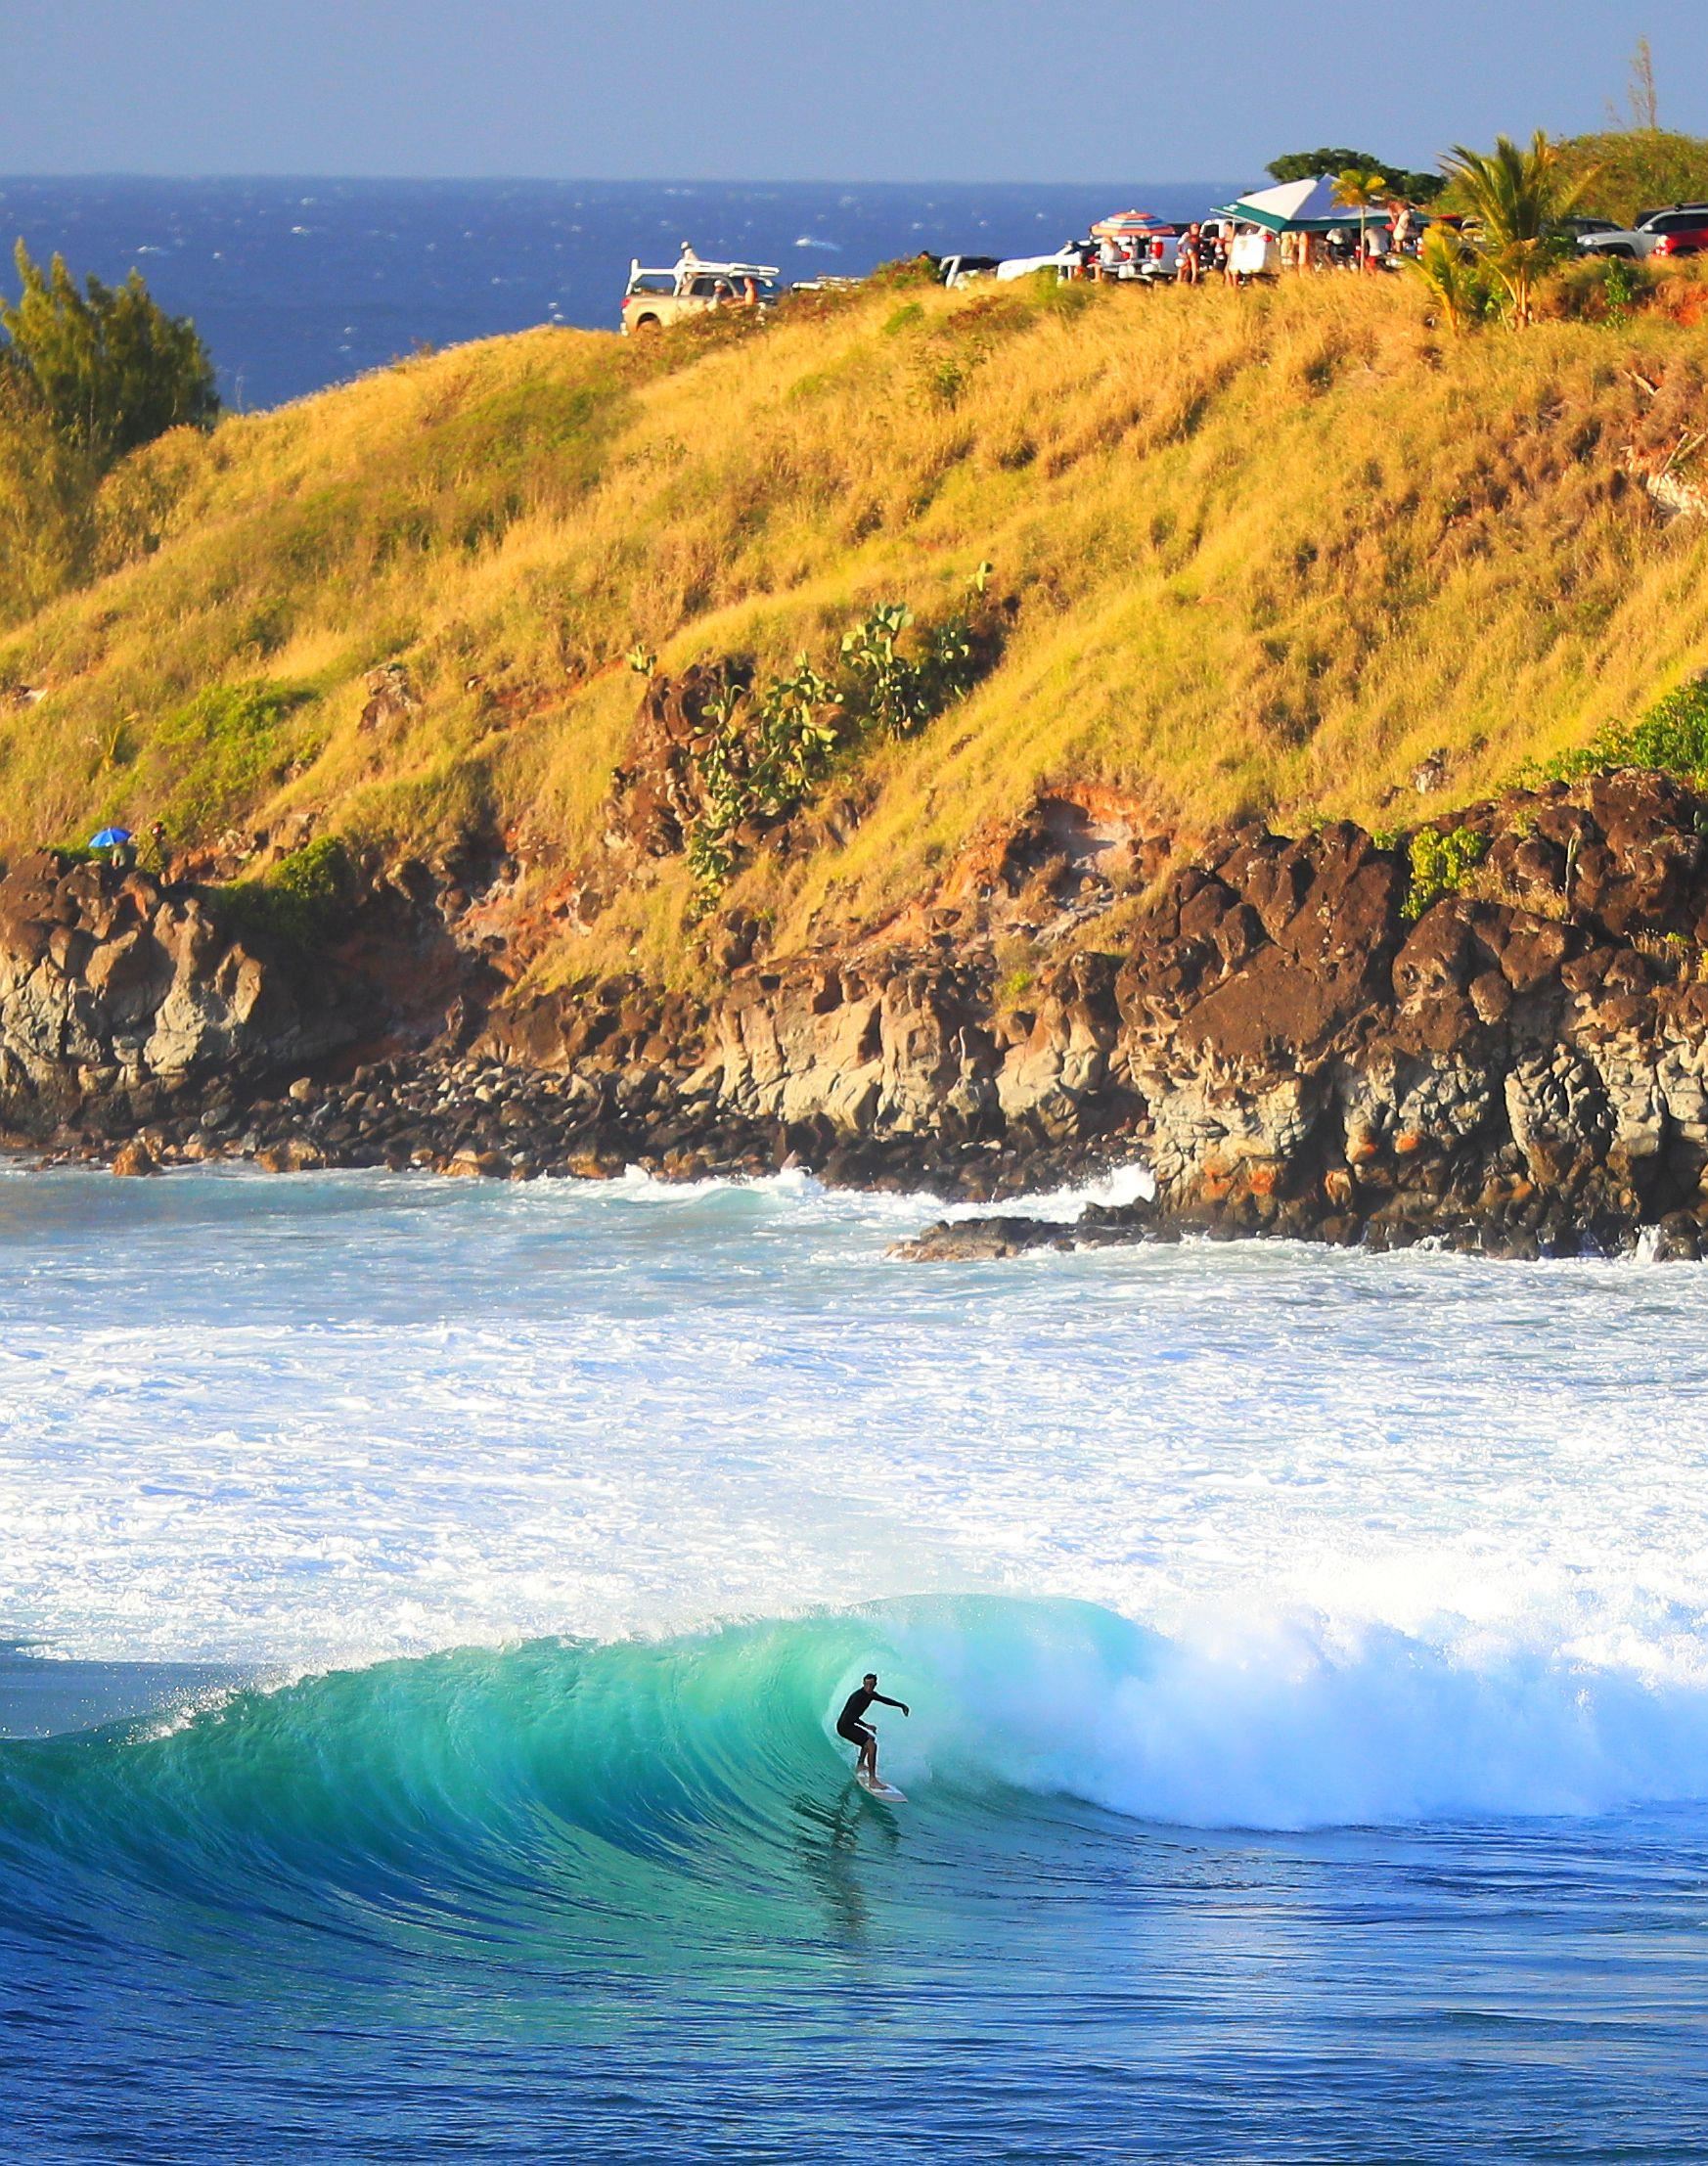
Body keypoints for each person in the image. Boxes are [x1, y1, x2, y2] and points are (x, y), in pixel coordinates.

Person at [836, 1672, 909, 1785]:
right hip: (844, 1727)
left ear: (875, 1684)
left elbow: (885, 1700)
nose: (869, 1687)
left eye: (872, 1685)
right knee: (872, 1746)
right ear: (863, 1683)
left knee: (870, 1738)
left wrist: (901, 1706)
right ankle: (872, 1780)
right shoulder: (858, 1696)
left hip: (850, 1725)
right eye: (867, 1684)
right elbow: (849, 1716)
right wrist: (866, 1725)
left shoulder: (871, 1695)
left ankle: (860, 1764)